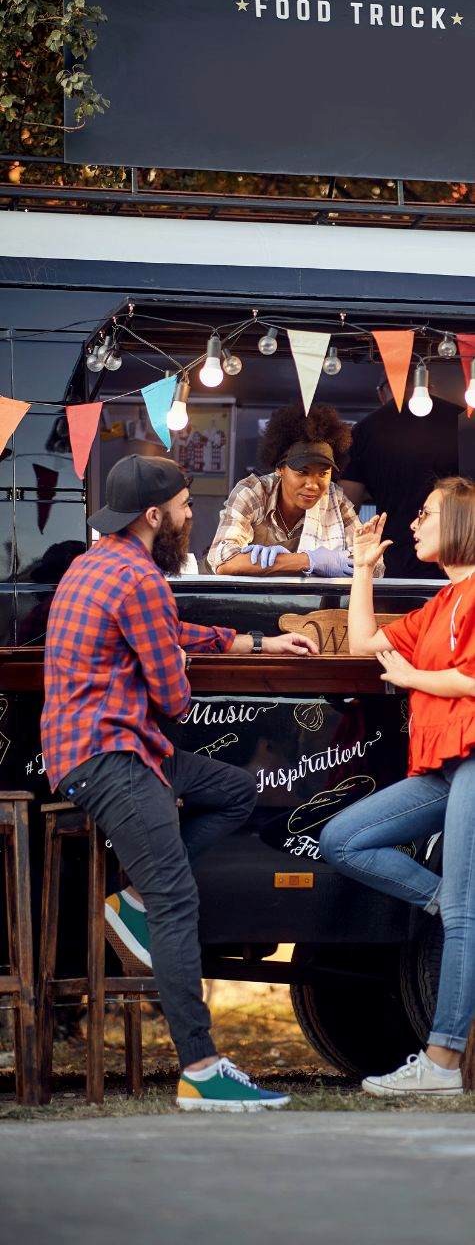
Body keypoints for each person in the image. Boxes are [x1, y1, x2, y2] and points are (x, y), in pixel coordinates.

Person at [41, 454, 318, 1112]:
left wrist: (253, 644)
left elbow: (167, 633)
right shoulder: (139, 580)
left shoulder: (96, 563)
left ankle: (130, 900)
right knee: (178, 903)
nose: (193, 515)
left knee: (233, 789)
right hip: (109, 756)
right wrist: (175, 665)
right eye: (187, 505)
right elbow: (170, 696)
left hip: (102, 747)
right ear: (154, 514)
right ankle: (199, 1068)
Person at [319, 476, 475, 1096]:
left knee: (465, 914)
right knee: (343, 839)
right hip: (445, 763)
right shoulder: (440, 605)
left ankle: (440, 1065)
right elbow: (362, 643)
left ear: (462, 521)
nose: (414, 523)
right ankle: (449, 907)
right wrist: (362, 569)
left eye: (427, 513)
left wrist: (415, 675)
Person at [208, 402, 382, 578]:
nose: (313, 485)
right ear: (280, 469)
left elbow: (373, 564)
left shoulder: (334, 500)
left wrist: (269, 563)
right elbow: (222, 561)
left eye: (323, 473)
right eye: (302, 472)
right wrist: (309, 561)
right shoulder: (253, 493)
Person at [340, 376, 461, 578]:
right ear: (429, 386)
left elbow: (346, 508)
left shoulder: (365, 429)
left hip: (392, 557)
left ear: (382, 392)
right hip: (457, 556)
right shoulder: (465, 420)